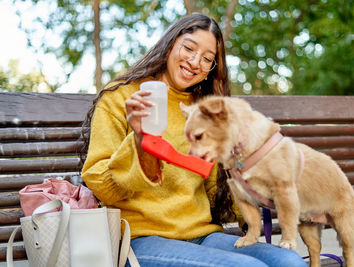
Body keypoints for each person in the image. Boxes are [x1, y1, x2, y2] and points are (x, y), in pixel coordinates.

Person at [80, 13, 307, 267]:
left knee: (290, 262)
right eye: (188, 47)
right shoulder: (122, 97)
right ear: (170, 44)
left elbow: (215, 196)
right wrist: (140, 141)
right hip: (141, 239)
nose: (194, 61)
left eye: (207, 59)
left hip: (204, 236)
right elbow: (101, 185)